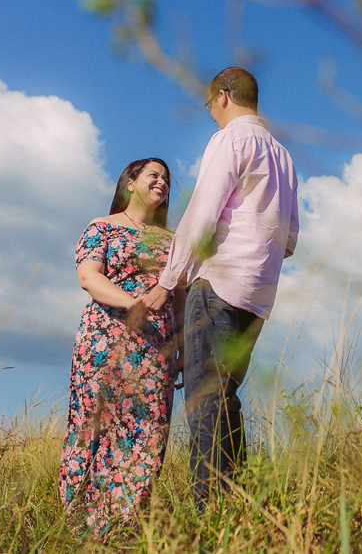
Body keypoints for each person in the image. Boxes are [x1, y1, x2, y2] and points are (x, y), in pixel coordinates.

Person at [142, 66, 299, 508]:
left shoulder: (231, 139)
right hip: (259, 295)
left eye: (211, 104)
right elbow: (289, 240)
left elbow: (203, 214)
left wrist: (168, 280)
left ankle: (209, 516)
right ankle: (238, 508)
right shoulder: (283, 156)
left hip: (219, 284)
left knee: (204, 402)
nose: (211, 113)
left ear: (224, 95)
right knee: (225, 397)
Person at [59, 158, 185, 537]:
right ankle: (80, 531)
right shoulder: (103, 227)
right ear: (130, 182)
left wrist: (179, 350)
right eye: (153, 175)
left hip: (156, 348)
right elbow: (88, 277)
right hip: (105, 340)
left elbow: (179, 299)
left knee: (147, 434)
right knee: (94, 428)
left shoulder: (174, 241)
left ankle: (122, 530)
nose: (162, 182)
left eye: (166, 179)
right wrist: (134, 304)